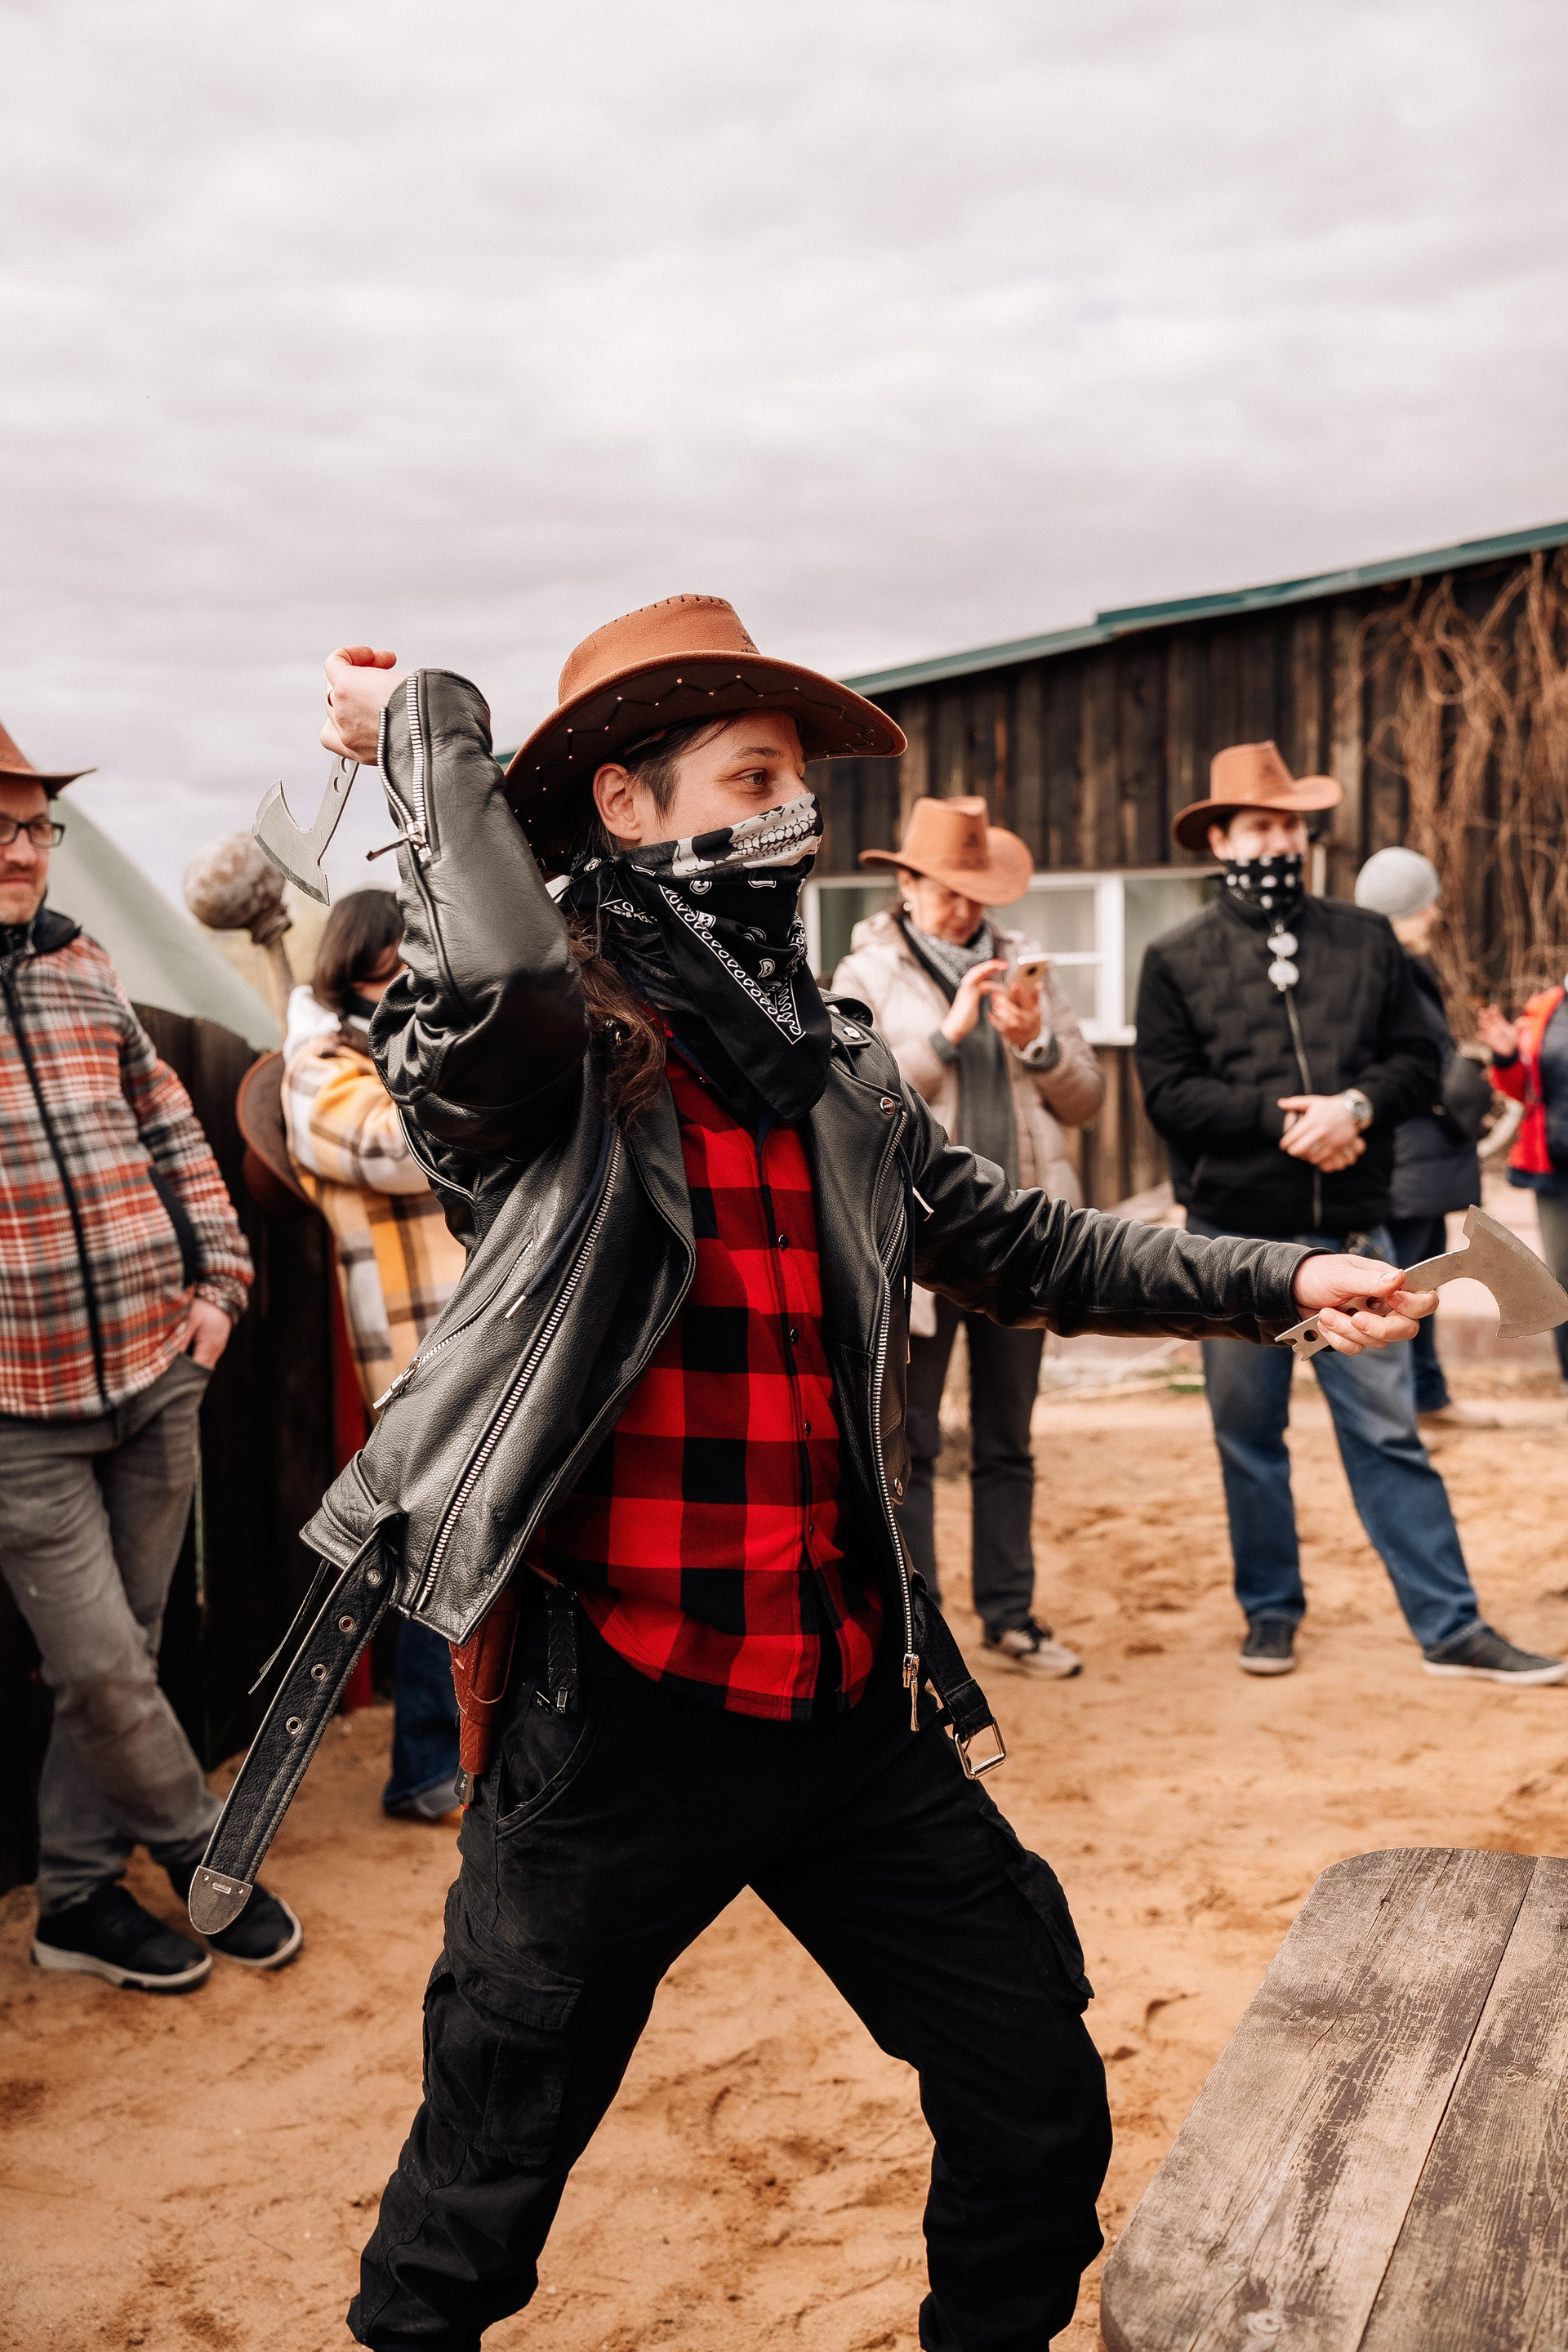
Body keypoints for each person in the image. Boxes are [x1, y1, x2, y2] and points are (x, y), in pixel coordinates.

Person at [311, 612, 1435, 2352]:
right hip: (619, 1715)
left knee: (1033, 2102)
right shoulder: (547, 1060)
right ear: (624, 804)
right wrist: (427, 728)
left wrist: (1281, 1276)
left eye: (798, 783)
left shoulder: (827, 1061)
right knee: (474, 2213)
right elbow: (510, 982)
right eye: (750, 778)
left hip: (851, 1691)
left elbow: (1025, 1241)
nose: (794, 816)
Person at [1135, 739, 1562, 1687]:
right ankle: (1271, 1613)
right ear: (1221, 840)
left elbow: (1419, 1062)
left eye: (1290, 825)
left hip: (1355, 1236)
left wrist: (1356, 1109)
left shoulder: (1365, 939)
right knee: (1249, 1437)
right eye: (1259, 825)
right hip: (1231, 1242)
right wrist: (1290, 1123)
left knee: (1388, 1432)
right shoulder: (1174, 956)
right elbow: (1168, 1093)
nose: (1278, 841)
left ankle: (1452, 1627)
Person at [0, 719, 299, 1993]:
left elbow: (174, 1129)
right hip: (19, 1412)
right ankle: (205, 1853)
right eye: (1, 829)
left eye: (37, 827)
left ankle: (73, 1900)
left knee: (126, 1647)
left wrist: (221, 1286)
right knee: (103, 1664)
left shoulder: (85, 964)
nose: (25, 851)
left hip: (156, 1367)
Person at [832, 795, 1101, 1677]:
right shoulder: (863, 973)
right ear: (907, 886)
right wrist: (944, 1041)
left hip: (1017, 1237)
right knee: (908, 1444)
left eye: (975, 892)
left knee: (1007, 1439)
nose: (962, 908)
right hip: (914, 1244)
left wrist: (1036, 1045)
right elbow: (847, 1104)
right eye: (946, 890)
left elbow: (1087, 1098)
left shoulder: (1027, 967)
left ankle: (1011, 1617)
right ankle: (925, 1631)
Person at [283, 889, 467, 1820]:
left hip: (484, 1329)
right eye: (401, 968)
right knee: (440, 1552)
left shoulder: (420, 1052)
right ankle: (428, 1769)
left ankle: (471, 1756)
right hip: (417, 1348)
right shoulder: (321, 1068)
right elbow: (393, 1147)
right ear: (361, 968)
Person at [1354, 846, 1499, 1431]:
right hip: (1408, 1158)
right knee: (1406, 1288)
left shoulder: (1399, 969)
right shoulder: (1387, 975)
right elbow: (1410, 1066)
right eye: (1425, 904)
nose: (1435, 914)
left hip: (1423, 1159)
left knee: (1420, 1286)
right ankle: (1412, 1406)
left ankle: (1427, 1398)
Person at [1479, 972, 1568, 1390]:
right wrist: (1507, 1056)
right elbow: (1524, 1089)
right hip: (1556, 1171)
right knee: (1562, 1278)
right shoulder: (1547, 1008)